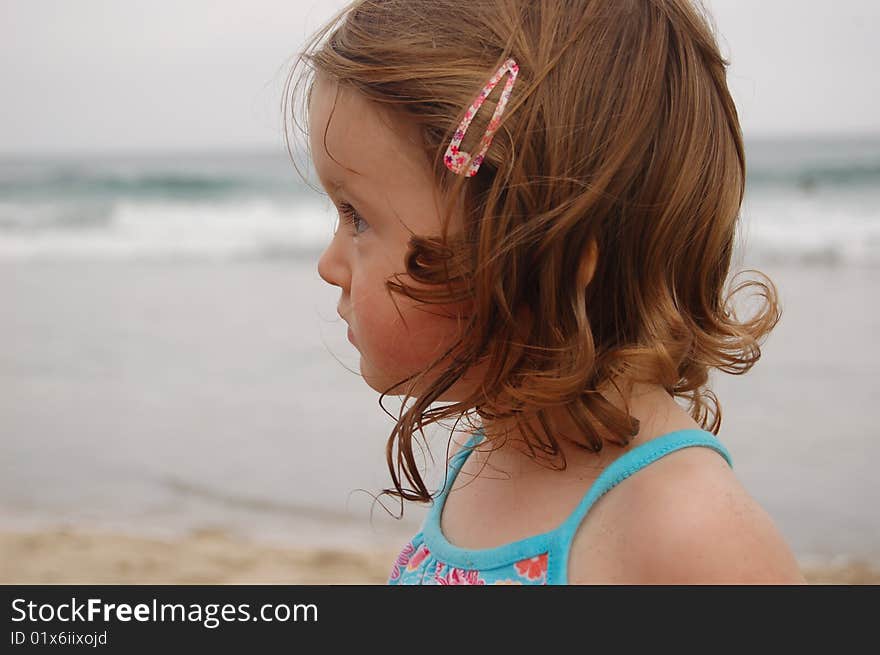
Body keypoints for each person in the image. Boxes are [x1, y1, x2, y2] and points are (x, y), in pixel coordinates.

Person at [286, 0, 806, 584]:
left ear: (531, 244)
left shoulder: (691, 533)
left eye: (357, 216)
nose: (330, 265)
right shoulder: (490, 453)